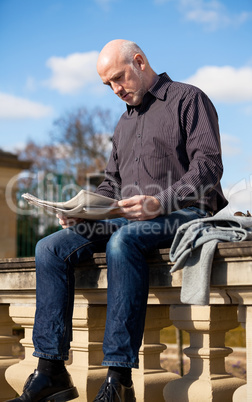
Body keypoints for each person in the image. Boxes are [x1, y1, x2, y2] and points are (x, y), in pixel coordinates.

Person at [7, 39, 228, 402]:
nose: (116, 90)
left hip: (184, 213)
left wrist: (159, 201)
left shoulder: (189, 99)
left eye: (119, 78)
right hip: (127, 219)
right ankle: (50, 371)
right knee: (50, 247)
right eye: (108, 84)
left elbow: (208, 167)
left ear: (139, 62)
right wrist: (82, 211)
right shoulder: (124, 124)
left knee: (122, 242)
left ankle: (118, 377)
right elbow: (113, 185)